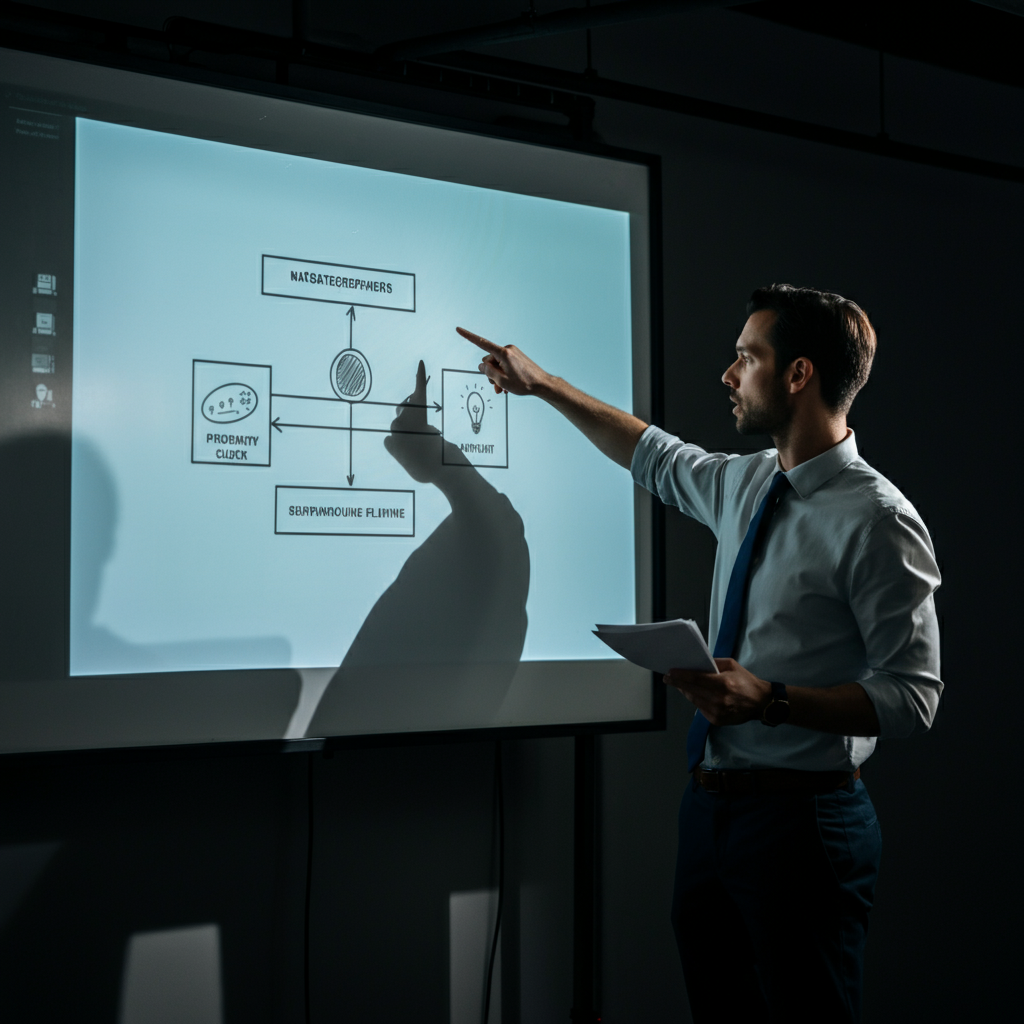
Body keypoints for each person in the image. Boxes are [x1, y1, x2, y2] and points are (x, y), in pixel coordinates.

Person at [456, 283, 942, 1024]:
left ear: (799, 375)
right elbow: (650, 452)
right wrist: (543, 384)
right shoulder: (747, 481)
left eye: (747, 357)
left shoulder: (879, 520)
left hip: (807, 828)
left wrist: (773, 699)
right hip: (712, 814)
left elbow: (914, 697)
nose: (728, 373)